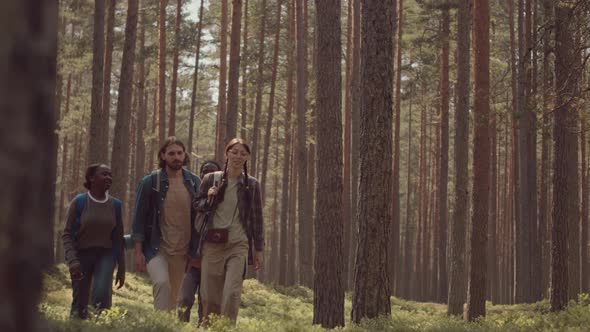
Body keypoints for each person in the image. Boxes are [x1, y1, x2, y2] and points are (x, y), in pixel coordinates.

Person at [196, 138, 264, 325]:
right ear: (226, 153)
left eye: (243, 153)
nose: (238, 156)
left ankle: (226, 328)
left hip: (238, 244)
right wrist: (208, 197)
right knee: (210, 296)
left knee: (232, 293)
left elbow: (257, 218)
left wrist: (258, 249)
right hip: (212, 244)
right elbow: (197, 205)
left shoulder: (252, 184)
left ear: (248, 157)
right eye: (234, 151)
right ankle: (209, 327)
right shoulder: (211, 179)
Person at [132, 137, 201, 311]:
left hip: (182, 251)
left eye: (179, 153)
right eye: (171, 153)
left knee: (172, 300)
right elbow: (138, 218)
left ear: (185, 155)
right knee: (162, 283)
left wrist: (196, 252)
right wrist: (138, 251)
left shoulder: (194, 182)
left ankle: (163, 325)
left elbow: (200, 220)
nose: (176, 157)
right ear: (163, 156)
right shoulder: (150, 182)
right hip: (156, 248)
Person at [62, 164, 125, 319]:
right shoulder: (80, 202)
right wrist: (72, 260)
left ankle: (101, 325)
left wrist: (122, 267)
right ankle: (76, 327)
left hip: (106, 254)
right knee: (80, 302)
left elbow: (118, 237)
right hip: (81, 256)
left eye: (110, 175)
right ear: (91, 178)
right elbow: (67, 234)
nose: (109, 177)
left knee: (102, 294)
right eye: (104, 174)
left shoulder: (116, 205)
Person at [177, 160, 222, 323]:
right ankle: (181, 327)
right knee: (185, 299)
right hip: (191, 261)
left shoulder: (223, 205)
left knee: (206, 303)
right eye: (204, 171)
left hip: (212, 263)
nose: (207, 174)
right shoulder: (194, 201)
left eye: (212, 172)